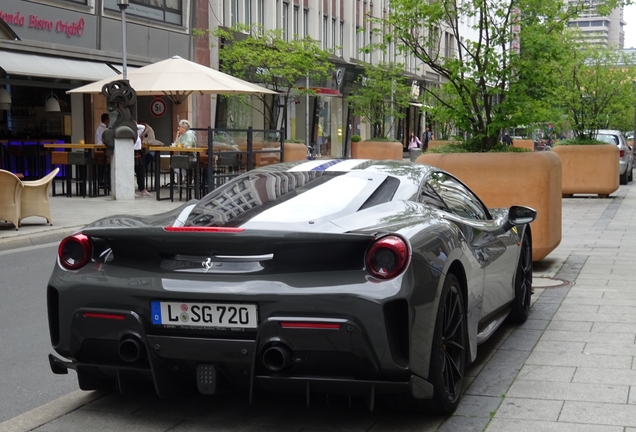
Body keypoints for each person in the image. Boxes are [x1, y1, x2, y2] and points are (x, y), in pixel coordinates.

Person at [134, 122, 151, 197]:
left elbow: (143, 127)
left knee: (140, 171)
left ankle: (142, 189)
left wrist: (134, 125)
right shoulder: (129, 133)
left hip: (138, 152)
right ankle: (131, 190)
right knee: (132, 171)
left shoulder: (137, 132)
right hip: (132, 151)